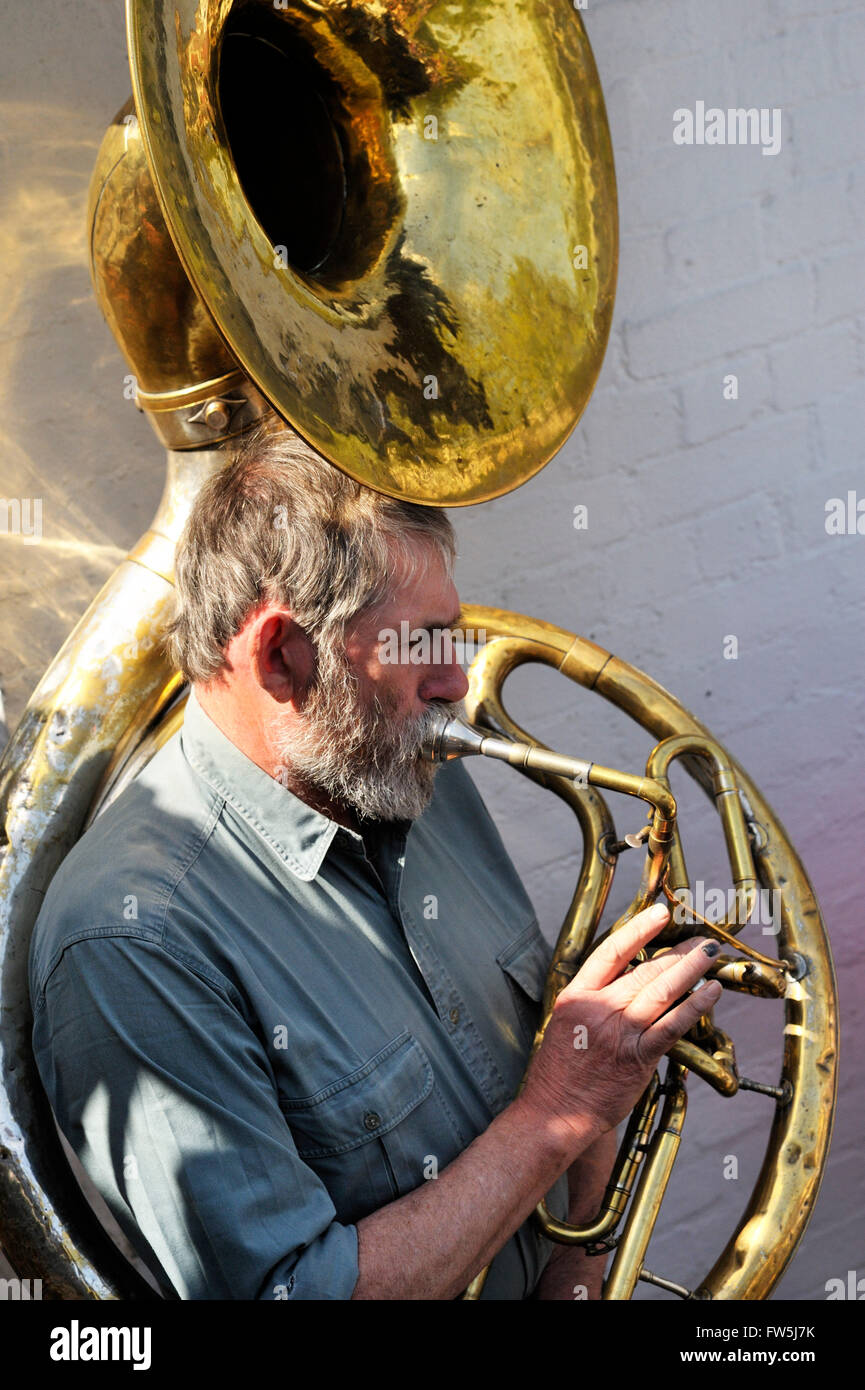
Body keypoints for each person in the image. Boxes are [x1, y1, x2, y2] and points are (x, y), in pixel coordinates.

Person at [28, 425, 722, 1300]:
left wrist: (590, 1158)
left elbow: (556, 1135)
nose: (458, 683)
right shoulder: (133, 942)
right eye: (423, 645)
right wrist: (559, 1109)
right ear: (282, 655)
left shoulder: (401, 769)